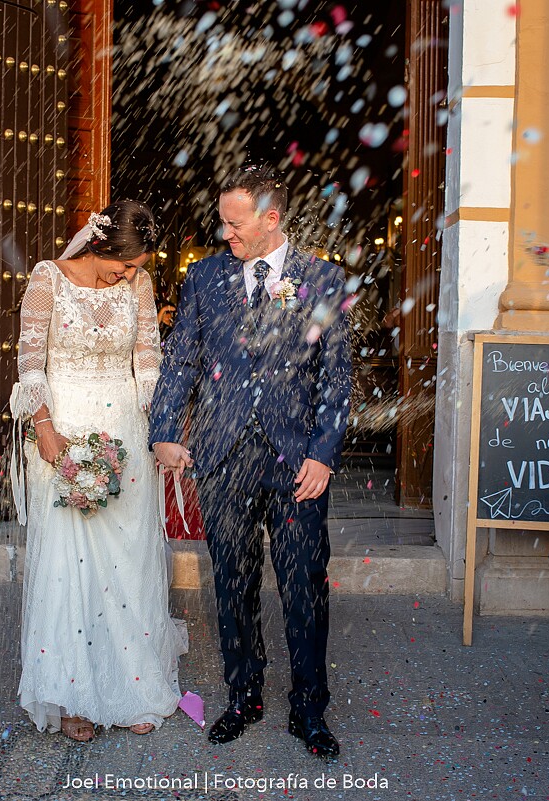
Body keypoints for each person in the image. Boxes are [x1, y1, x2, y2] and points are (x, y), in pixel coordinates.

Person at [150, 164, 353, 758]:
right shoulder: (205, 278)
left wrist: (323, 454)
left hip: (297, 466)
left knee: (303, 587)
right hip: (222, 457)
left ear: (272, 220)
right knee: (231, 583)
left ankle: (309, 709)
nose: (224, 234)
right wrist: (165, 429)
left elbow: (336, 377)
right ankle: (244, 696)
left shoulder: (323, 281)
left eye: (234, 223)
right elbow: (182, 357)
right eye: (221, 221)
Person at [9, 200, 187, 742]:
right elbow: (29, 359)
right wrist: (43, 427)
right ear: (99, 245)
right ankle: (73, 694)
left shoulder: (137, 287)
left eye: (137, 267)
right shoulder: (48, 278)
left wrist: (158, 429)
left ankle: (133, 684)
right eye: (124, 264)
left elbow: (149, 359)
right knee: (70, 566)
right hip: (64, 431)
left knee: (126, 562)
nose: (129, 275)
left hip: (126, 431)